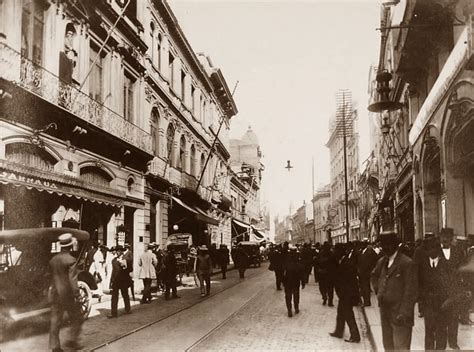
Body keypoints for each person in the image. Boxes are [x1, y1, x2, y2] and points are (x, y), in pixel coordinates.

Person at [371, 231, 417, 351]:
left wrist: (404, 312)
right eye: (383, 245)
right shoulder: (382, 261)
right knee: (388, 345)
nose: (385, 247)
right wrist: (379, 292)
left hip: (400, 314)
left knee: (401, 347)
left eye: (388, 244)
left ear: (396, 245)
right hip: (385, 312)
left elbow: (411, 291)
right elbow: (374, 276)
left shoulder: (407, 263)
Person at [49, 233, 84, 352]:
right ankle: (72, 341)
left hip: (55, 294)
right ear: (70, 246)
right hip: (67, 295)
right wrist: (77, 295)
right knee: (77, 318)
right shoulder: (71, 260)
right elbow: (73, 280)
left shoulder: (53, 260)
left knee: (55, 321)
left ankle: (55, 347)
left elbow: (50, 277)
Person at [418, 236, 451, 350]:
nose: (431, 251)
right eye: (429, 249)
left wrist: (448, 301)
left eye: (434, 248)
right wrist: (422, 302)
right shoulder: (422, 266)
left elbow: (451, 285)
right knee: (429, 332)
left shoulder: (446, 265)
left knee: (441, 331)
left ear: (438, 249)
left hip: (443, 305)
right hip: (428, 306)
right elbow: (419, 285)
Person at [438, 227, 465, 349]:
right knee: (441, 319)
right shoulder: (434, 251)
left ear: (451, 238)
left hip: (455, 290)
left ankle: (453, 342)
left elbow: (462, 270)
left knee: (454, 318)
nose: (445, 240)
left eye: (448, 238)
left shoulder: (458, 251)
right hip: (440, 292)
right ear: (440, 238)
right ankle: (441, 344)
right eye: (443, 237)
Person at [330, 243, 361, 343]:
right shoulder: (343, 261)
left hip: (347, 294)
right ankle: (339, 331)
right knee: (341, 313)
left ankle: (355, 336)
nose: (334, 252)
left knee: (348, 314)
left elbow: (349, 280)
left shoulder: (346, 263)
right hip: (344, 294)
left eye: (335, 250)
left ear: (339, 252)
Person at [108, 246, 132, 318]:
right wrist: (111, 281)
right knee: (114, 297)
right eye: (117, 251)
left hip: (123, 280)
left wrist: (124, 265)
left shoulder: (126, 259)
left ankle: (127, 309)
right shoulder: (114, 260)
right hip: (115, 281)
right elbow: (113, 271)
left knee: (125, 295)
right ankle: (114, 313)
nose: (117, 252)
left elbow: (130, 269)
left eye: (119, 251)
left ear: (122, 251)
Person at [282, 245, 305, 317]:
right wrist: (303, 282)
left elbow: (282, 272)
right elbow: (302, 272)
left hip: (288, 281)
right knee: (296, 295)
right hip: (296, 281)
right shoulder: (298, 261)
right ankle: (296, 307)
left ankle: (289, 310)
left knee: (288, 296)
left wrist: (283, 281)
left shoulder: (286, 260)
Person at [357, 240, 378, 306]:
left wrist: (368, 270)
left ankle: (367, 302)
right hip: (362, 272)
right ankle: (366, 301)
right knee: (364, 287)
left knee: (365, 287)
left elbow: (369, 262)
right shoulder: (362, 251)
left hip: (365, 272)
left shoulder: (368, 251)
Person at [316, 241, 336, 306]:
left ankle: (324, 297)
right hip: (330, 273)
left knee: (322, 286)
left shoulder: (320, 253)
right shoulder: (332, 253)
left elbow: (318, 263)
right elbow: (335, 264)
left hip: (322, 272)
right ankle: (330, 301)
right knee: (330, 288)